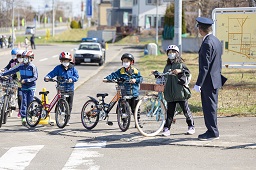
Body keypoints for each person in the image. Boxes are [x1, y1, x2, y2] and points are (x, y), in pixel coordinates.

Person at [193, 17, 225, 141]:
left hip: (208, 81)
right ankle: (212, 130)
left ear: (201, 29)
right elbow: (218, 61)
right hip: (215, 78)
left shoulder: (207, 43)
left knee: (209, 107)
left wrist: (198, 83)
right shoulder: (216, 40)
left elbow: (205, 66)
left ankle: (212, 132)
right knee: (212, 106)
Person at [159, 45, 194, 137]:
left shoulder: (181, 65)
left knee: (186, 111)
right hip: (170, 93)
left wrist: (180, 71)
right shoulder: (167, 66)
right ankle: (167, 128)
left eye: (173, 52)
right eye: (169, 52)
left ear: (177, 53)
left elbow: (188, 75)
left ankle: (191, 126)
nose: (171, 54)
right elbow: (164, 77)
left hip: (180, 92)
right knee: (170, 112)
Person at [104, 53, 143, 127]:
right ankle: (125, 122)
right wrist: (106, 78)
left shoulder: (135, 71)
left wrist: (135, 80)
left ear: (131, 62)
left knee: (136, 109)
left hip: (134, 93)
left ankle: (137, 122)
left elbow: (141, 78)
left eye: (127, 61)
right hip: (125, 93)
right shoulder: (120, 71)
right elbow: (113, 75)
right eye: (124, 61)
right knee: (124, 109)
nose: (125, 63)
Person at [0, 50, 38, 126]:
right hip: (23, 87)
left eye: (26, 58)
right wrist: (3, 74)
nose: (24, 59)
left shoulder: (33, 67)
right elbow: (12, 70)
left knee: (29, 102)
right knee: (23, 102)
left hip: (31, 87)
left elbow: (35, 77)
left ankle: (29, 116)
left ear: (31, 58)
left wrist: (27, 80)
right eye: (23, 57)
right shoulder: (20, 66)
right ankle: (23, 117)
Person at [44, 52, 79, 125]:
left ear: (69, 61)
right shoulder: (58, 68)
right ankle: (61, 117)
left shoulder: (73, 68)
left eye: (67, 61)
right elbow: (52, 73)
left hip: (70, 89)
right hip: (61, 89)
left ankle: (67, 119)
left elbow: (76, 76)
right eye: (64, 60)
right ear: (61, 61)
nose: (65, 62)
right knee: (62, 103)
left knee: (69, 105)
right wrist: (48, 77)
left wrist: (71, 79)